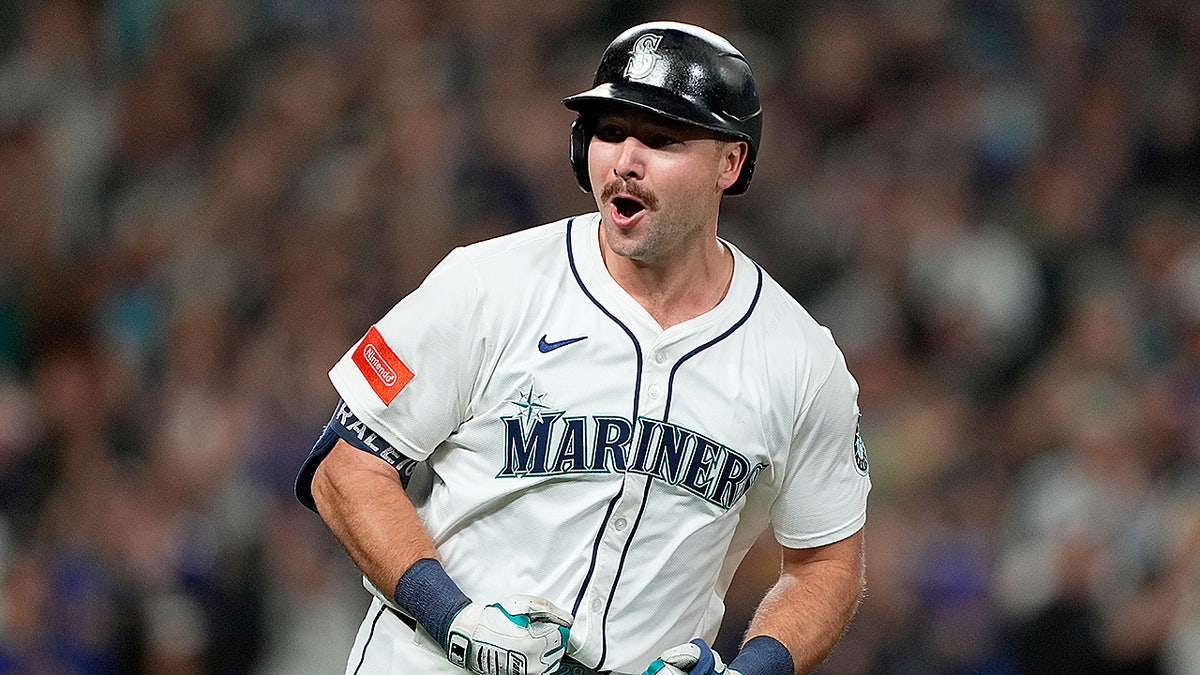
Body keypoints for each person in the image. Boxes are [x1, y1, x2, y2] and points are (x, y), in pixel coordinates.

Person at [295, 21, 870, 675]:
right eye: (610, 132)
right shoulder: (488, 284)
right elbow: (346, 466)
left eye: (661, 139)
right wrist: (454, 618)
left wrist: (753, 671)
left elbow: (827, 562)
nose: (626, 160)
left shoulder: (799, 359)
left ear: (730, 163)